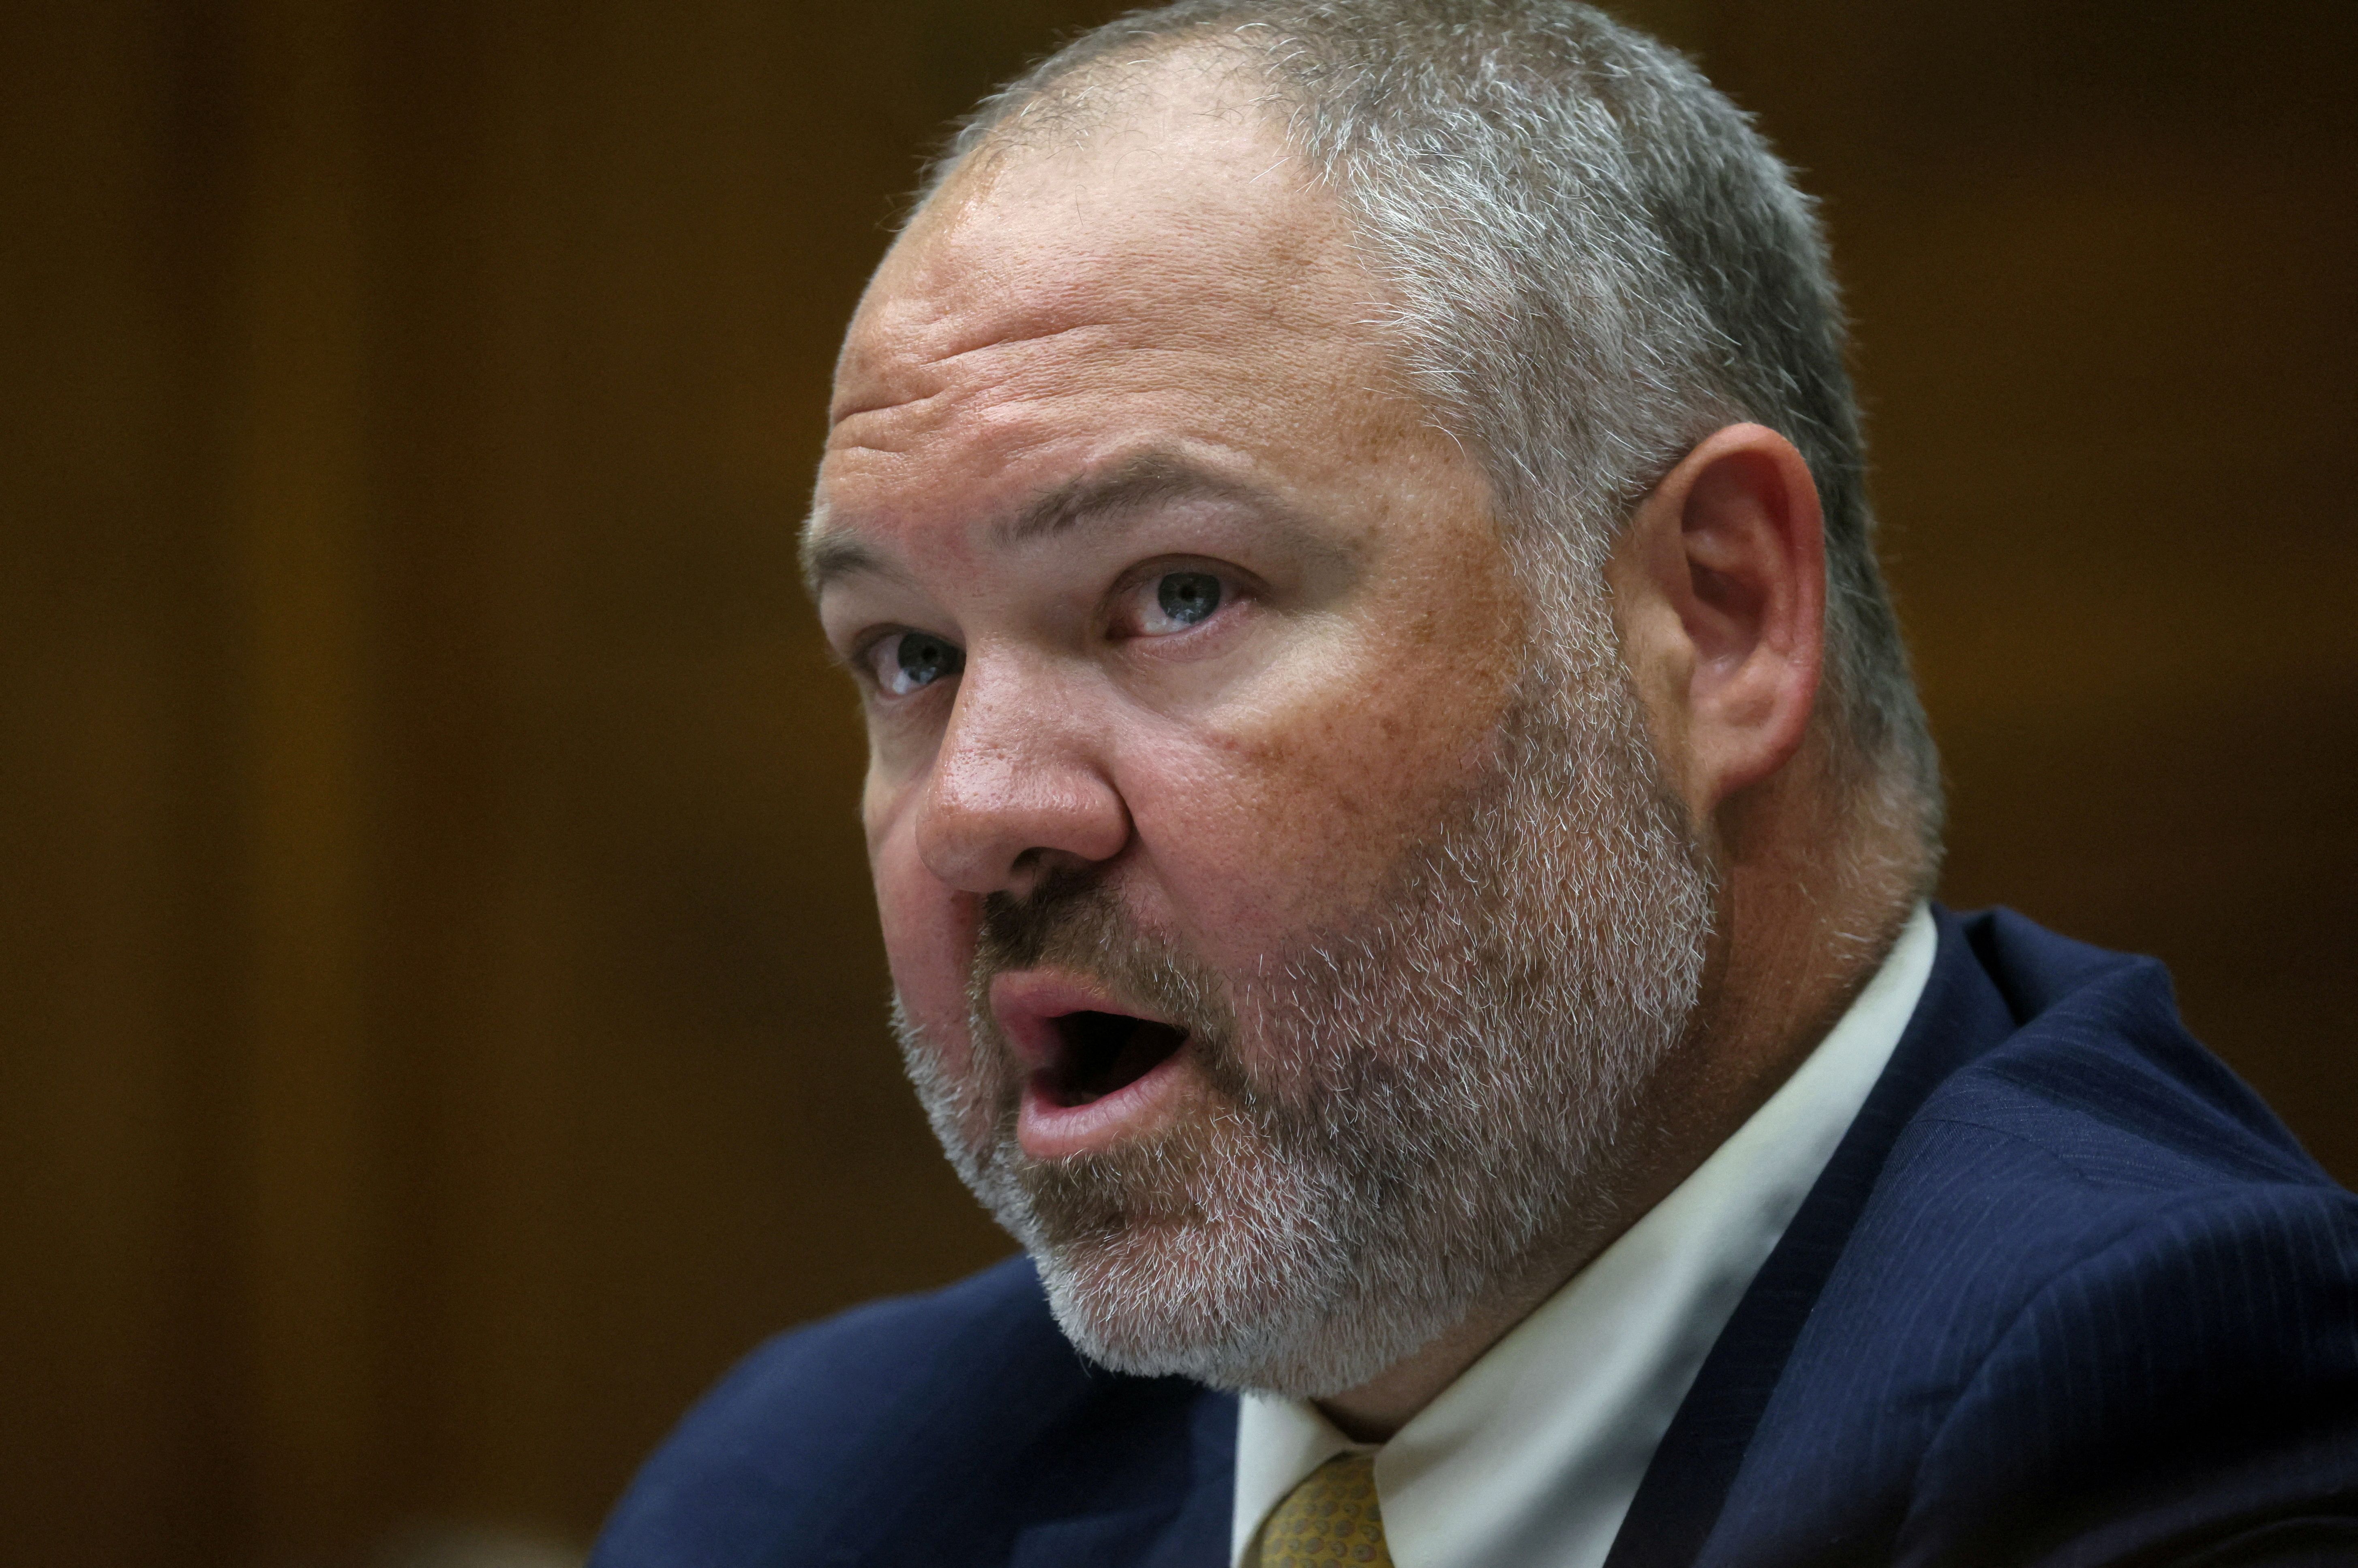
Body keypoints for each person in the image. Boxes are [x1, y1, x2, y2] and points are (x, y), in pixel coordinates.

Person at [591, 3, 2358, 1564]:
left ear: (1718, 615)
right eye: (907, 654)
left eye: (1176, 595)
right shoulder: (814, 1490)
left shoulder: (2165, 1396)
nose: (979, 808)